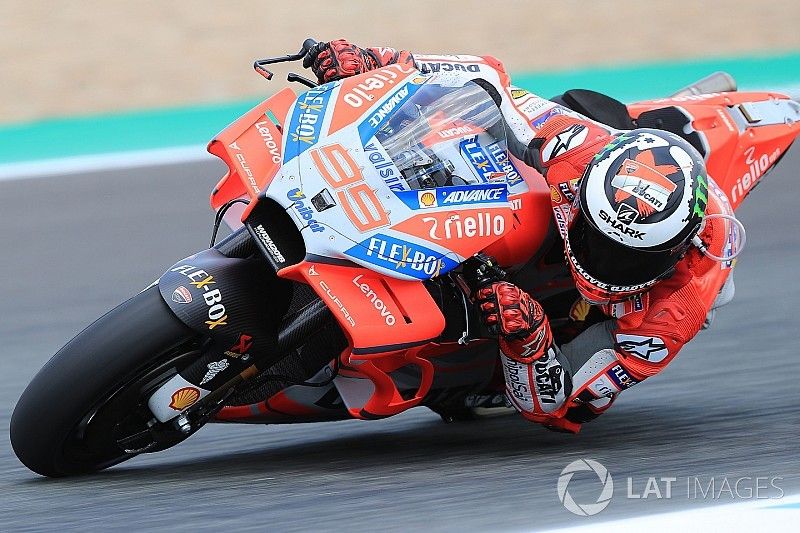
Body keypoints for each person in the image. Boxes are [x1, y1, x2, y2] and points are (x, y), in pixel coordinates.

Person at [302, 40, 739, 433]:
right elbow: (485, 78)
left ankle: (477, 370)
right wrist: (375, 62)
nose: (605, 263)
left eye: (626, 257)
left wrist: (530, 339)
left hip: (620, 309)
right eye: (597, 239)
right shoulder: (576, 149)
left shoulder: (672, 312)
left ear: (677, 251)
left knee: (501, 370)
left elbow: (561, 404)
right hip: (601, 153)